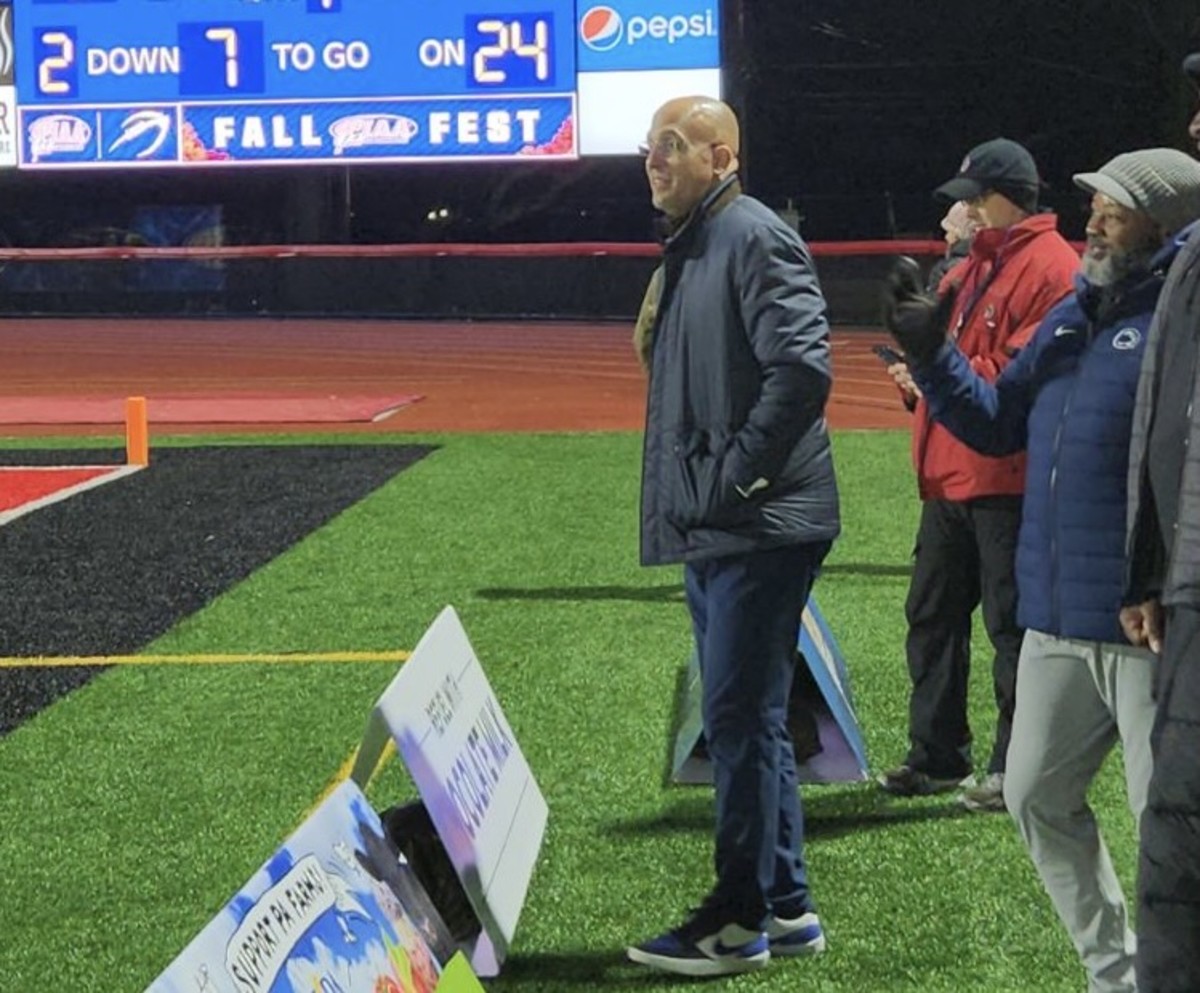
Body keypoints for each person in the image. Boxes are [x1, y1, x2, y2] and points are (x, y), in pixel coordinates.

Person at [886, 147, 1200, 993]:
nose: (1093, 218)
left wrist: (1167, 578)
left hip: (1143, 624)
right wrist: (931, 356)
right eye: (1093, 203)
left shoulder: (1179, 318)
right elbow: (994, 424)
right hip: (1055, 615)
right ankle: (1117, 972)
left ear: (1164, 225)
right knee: (1032, 795)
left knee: (1165, 827)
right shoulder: (1073, 313)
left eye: (1115, 208)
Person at [625, 95, 840, 978]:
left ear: (722, 157)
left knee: (738, 721)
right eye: (648, 148)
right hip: (725, 524)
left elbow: (802, 371)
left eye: (671, 146)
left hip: (754, 522)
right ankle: (785, 904)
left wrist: (732, 480)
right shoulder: (698, 241)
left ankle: (735, 922)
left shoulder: (749, 235)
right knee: (750, 719)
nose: (653, 161)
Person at [877, 138, 1079, 812]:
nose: (956, 214)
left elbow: (1013, 385)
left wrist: (936, 373)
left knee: (1011, 628)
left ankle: (1011, 767)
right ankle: (936, 755)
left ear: (995, 197)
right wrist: (919, 377)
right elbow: (956, 366)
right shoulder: (972, 268)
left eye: (966, 199)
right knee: (931, 615)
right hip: (947, 476)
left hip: (1009, 481)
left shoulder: (1053, 267)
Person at [1122, 51, 1200, 993]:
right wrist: (1148, 567)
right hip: (1189, 590)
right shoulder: (1190, 265)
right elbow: (1164, 417)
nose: (1194, 128)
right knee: (1177, 837)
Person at [925, 199, 978, 292]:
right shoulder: (995, 260)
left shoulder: (947, 268)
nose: (946, 236)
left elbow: (937, 301)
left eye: (949, 231)